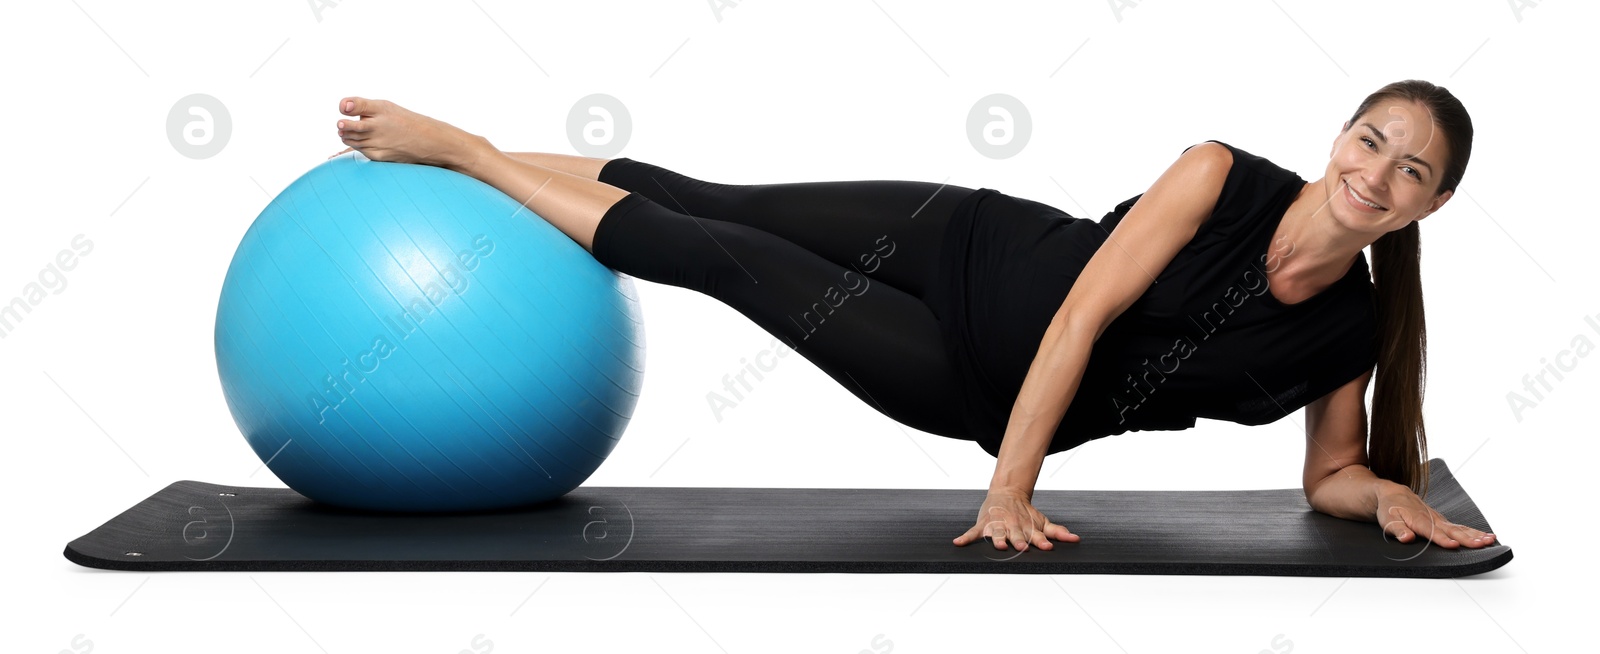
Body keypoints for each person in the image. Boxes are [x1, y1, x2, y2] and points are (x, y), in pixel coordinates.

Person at [325, 79, 1495, 554]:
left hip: (963, 376)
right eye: (1371, 140)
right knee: (708, 197)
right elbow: (1086, 313)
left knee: (717, 256)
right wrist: (1009, 493)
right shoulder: (1219, 175)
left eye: (1410, 171)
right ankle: (461, 154)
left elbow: (1326, 475)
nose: (1377, 171)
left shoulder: (1349, 333)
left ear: (1428, 204)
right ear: (1340, 137)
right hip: (970, 236)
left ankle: (463, 154)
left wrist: (1383, 489)